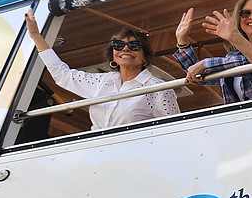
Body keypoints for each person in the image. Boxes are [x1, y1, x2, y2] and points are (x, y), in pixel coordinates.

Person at [23, 8, 180, 130]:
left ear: (145, 57)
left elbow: (174, 129)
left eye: (133, 46)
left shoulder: (159, 89)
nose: (125, 49)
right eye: (118, 45)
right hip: (97, 153)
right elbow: (62, 75)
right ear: (113, 55)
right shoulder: (101, 81)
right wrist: (36, 36)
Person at [174, 0, 252, 103]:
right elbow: (199, 76)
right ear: (239, 18)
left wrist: (205, 63)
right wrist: (182, 40)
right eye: (246, 13)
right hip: (243, 121)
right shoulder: (233, 56)